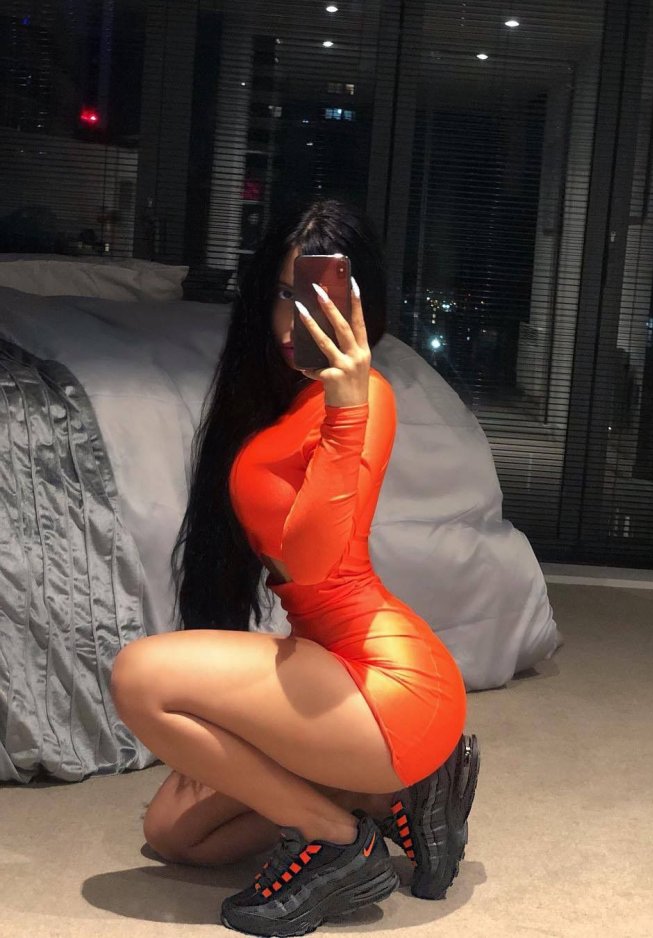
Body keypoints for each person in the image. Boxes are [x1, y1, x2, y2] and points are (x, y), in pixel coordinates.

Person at [110, 198, 480, 937]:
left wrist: (345, 413)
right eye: (284, 294)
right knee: (176, 833)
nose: (293, 320)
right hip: (327, 670)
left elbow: (313, 557)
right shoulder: (274, 401)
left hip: (385, 683)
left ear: (358, 303)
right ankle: (385, 799)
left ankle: (337, 841)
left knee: (139, 677)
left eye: (316, 296)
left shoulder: (365, 401)